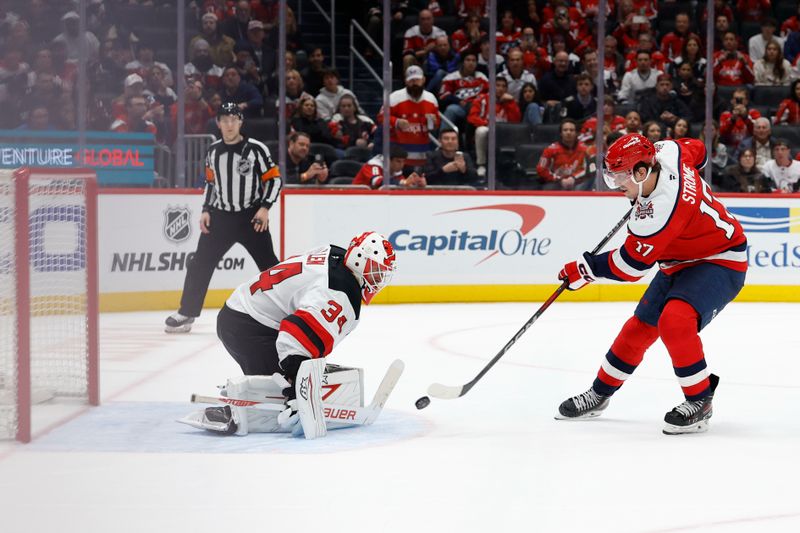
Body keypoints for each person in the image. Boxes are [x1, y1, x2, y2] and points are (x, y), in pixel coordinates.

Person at [556, 133, 747, 435]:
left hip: (719, 260)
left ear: (642, 172)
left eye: (620, 178)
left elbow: (631, 266)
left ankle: (700, 401)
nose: (617, 185)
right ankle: (599, 393)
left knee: (674, 321)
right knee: (638, 328)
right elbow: (697, 151)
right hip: (677, 261)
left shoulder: (660, 211)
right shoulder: (668, 150)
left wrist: (585, 268)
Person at [179, 232, 397, 437]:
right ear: (360, 261)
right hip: (249, 328)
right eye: (377, 271)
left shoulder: (334, 252)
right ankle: (236, 413)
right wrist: (297, 390)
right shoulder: (341, 292)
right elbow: (294, 336)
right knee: (277, 406)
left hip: (243, 310)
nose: (379, 279)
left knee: (298, 365)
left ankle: (262, 389)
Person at [165, 103, 281, 333]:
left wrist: (265, 208)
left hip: (252, 217)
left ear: (240, 122)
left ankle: (287, 311)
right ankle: (187, 312)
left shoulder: (256, 149)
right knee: (199, 264)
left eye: (233, 119)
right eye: (224, 120)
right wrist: (206, 209)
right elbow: (210, 183)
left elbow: (274, 180)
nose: (229, 124)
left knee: (269, 266)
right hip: (221, 218)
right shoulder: (213, 151)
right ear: (218, 123)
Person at [377, 65, 440, 169]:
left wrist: (434, 122)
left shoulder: (431, 99)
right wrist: (396, 121)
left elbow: (436, 123)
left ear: (423, 80)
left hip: (422, 152)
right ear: (406, 81)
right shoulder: (394, 97)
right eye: (411, 80)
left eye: (417, 79)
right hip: (399, 154)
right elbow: (381, 117)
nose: (414, 83)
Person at [536, 119, 591, 190]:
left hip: (578, 182)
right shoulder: (550, 150)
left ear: (577, 133)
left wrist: (573, 178)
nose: (568, 132)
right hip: (555, 182)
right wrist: (559, 180)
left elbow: (590, 169)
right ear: (561, 133)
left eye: (571, 130)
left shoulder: (586, 149)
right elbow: (541, 169)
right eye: (565, 130)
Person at [353, 145, 422, 189]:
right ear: (388, 160)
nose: (401, 165)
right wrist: (403, 182)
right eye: (398, 161)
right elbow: (377, 182)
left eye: (403, 161)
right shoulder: (373, 165)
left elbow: (401, 186)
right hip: (356, 197)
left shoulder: (396, 171)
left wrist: (416, 184)